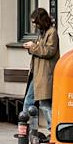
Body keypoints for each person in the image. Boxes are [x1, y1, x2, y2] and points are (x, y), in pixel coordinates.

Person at [22, 7, 59, 135]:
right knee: (29, 100)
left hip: (44, 74)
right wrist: (31, 47)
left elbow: (49, 51)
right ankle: (24, 128)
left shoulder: (51, 33)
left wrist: (33, 46)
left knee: (44, 104)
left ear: (41, 21)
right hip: (37, 74)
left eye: (35, 22)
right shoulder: (42, 32)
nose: (34, 25)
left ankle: (53, 130)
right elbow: (40, 49)